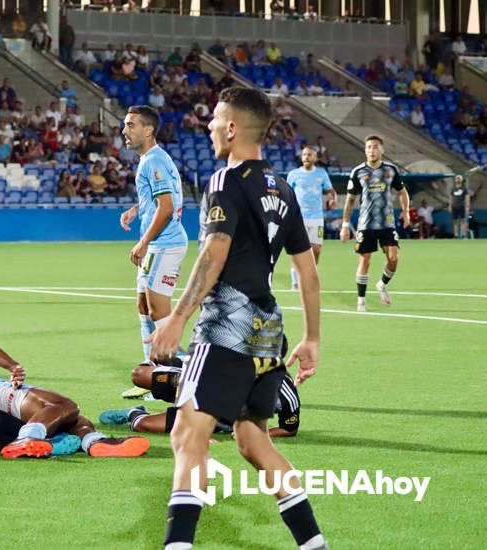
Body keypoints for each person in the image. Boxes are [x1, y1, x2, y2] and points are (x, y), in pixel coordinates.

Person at [147, 87, 326, 549]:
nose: (207, 126)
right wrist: (311, 339)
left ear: (232, 127)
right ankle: (314, 544)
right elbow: (307, 271)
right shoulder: (283, 189)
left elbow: (214, 250)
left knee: (188, 436)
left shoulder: (224, 181)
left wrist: (177, 317)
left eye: (214, 119)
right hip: (269, 335)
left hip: (228, 328)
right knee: (253, 442)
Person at [0, 320, 150, 458]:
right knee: (66, 406)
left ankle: (94, 442)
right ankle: (29, 438)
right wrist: (12, 365)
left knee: (71, 419)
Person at [118, 105, 188, 398]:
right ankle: (152, 373)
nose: (125, 131)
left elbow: (167, 207)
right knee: (143, 307)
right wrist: (137, 209)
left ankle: (186, 373)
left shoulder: (153, 160)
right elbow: (164, 196)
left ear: (148, 129)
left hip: (164, 245)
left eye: (131, 125)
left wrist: (144, 241)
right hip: (159, 244)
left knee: (160, 312)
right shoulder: (153, 159)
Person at [100, 340, 301, 438]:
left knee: (142, 425)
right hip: (194, 379)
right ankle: (167, 369)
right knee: (139, 375)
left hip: (214, 416)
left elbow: (289, 429)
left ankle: (134, 412)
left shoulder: (285, 394)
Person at [340, 135, 410, 312]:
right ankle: (361, 300)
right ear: (365, 150)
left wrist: (406, 211)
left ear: (382, 150)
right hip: (366, 224)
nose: (372, 150)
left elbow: (403, 192)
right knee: (365, 260)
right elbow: (349, 200)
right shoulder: (357, 172)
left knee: (393, 259)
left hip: (387, 223)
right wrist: (345, 224)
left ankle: (382, 284)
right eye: (369, 147)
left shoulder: (391, 170)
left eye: (375, 147)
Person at [286, 146, 337, 289]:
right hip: (298, 217)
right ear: (301, 157)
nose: (307, 157)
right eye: (304, 155)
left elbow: (331, 191)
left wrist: (333, 199)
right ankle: (296, 281)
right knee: (297, 249)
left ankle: (310, 276)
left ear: (315, 158)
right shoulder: (294, 174)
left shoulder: (321, 173)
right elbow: (287, 194)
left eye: (310, 155)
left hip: (316, 217)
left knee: (316, 250)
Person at [449, 175, 471, 239]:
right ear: (455, 180)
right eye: (456, 179)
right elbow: (450, 198)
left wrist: (467, 206)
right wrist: (450, 206)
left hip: (461, 207)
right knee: (454, 221)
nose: (457, 180)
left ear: (461, 180)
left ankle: (464, 236)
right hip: (454, 207)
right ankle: (455, 236)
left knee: (463, 221)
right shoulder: (453, 189)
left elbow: (467, 197)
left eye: (459, 179)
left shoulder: (464, 189)